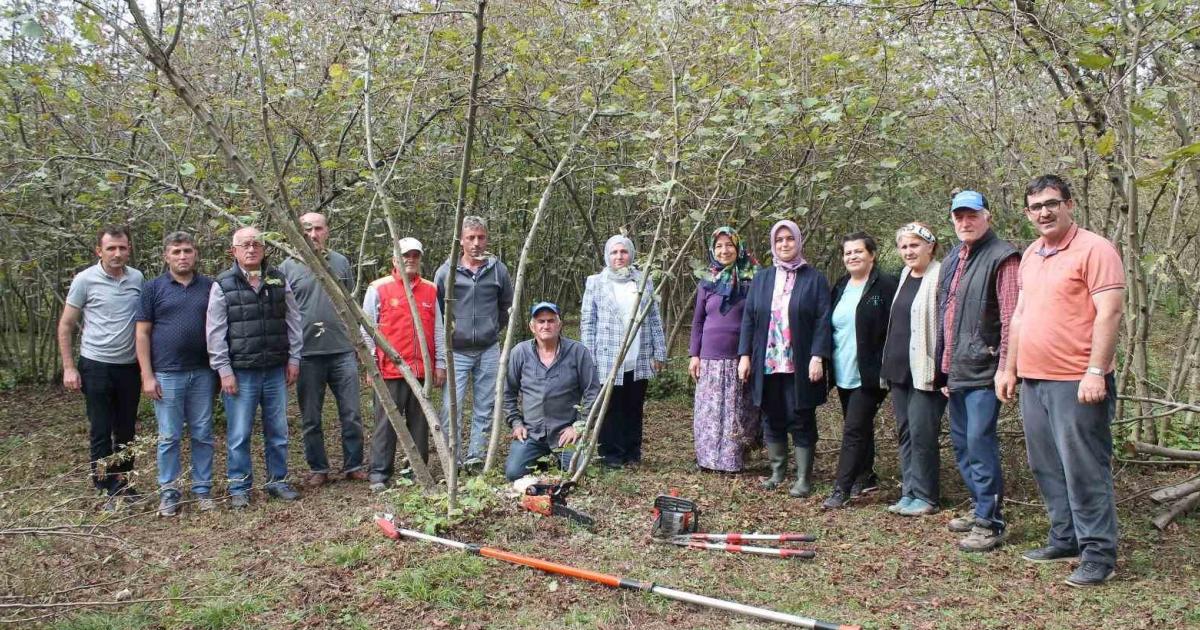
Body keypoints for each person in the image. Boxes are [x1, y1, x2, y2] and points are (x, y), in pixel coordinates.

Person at [1001, 175, 1124, 587]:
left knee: (1084, 468)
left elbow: (1109, 314)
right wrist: (1009, 367)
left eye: (1052, 203)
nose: (1044, 212)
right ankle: (1065, 537)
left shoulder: (1096, 249)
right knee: (1046, 465)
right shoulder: (1033, 253)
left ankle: (1098, 555)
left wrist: (1095, 370)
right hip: (1034, 380)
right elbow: (1019, 315)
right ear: (1027, 213)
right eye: (1036, 207)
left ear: (1070, 204)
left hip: (1077, 380)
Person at [937, 190, 1019, 552]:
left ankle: (991, 521)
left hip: (986, 371)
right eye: (959, 216)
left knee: (979, 443)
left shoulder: (1003, 257)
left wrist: (1006, 367)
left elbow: (1012, 319)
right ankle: (979, 506)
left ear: (988, 216)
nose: (965, 222)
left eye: (972, 215)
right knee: (962, 444)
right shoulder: (955, 256)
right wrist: (943, 369)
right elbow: (947, 317)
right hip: (957, 371)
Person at [206, 226, 303, 509]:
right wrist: (223, 370)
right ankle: (239, 486)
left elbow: (294, 322)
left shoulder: (278, 280)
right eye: (245, 245)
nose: (251, 249)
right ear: (233, 250)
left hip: (275, 369)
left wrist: (294, 359)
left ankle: (278, 481)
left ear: (264, 249)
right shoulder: (223, 284)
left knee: (278, 430)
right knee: (239, 433)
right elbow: (215, 332)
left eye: (256, 244)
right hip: (240, 372)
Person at [738, 220, 831, 498]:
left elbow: (822, 320)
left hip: (799, 361)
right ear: (773, 245)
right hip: (767, 362)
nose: (784, 244)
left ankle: (803, 477)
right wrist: (744, 355)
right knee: (772, 416)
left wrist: (818, 356)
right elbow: (749, 320)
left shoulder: (814, 278)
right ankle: (778, 472)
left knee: (801, 415)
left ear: (798, 242)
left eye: (789, 239)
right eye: (779, 240)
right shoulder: (762, 278)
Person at [58, 225, 145, 511]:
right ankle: (104, 485)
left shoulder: (137, 278)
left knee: (126, 429)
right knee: (100, 428)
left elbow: (143, 325)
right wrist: (69, 368)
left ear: (129, 249)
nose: (117, 253)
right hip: (96, 364)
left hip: (128, 366)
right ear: (99, 251)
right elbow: (66, 325)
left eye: (122, 247)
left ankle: (125, 481)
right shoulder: (85, 280)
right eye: (111, 248)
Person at [279, 212, 365, 488]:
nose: (313, 235)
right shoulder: (287, 267)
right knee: (311, 418)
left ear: (327, 231)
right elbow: (282, 313)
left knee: (351, 413)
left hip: (342, 351)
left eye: (318, 229)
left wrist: (358, 345)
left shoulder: (340, 263)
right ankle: (319, 468)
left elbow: (351, 305)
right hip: (306, 354)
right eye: (307, 230)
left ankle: (354, 465)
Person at [135, 231, 217, 516]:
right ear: (166, 256)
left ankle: (203, 490)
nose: (182, 256)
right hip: (167, 373)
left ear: (196, 254)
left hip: (204, 372)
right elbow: (142, 333)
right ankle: (169, 493)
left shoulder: (210, 287)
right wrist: (147, 375)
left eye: (187, 251)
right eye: (176, 251)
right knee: (169, 436)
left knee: (203, 433)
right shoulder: (153, 288)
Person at [361, 237, 446, 492]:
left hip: (422, 371)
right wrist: (371, 364)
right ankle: (379, 473)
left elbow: (438, 329)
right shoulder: (378, 288)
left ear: (420, 259)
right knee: (386, 422)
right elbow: (367, 329)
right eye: (405, 255)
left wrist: (439, 363)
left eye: (415, 255)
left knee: (419, 424)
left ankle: (415, 471)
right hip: (390, 370)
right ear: (395, 258)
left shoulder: (431, 289)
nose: (410, 259)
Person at [823, 232, 898, 509]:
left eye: (858, 251)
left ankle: (841, 489)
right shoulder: (841, 286)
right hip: (844, 370)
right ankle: (866, 475)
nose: (852, 257)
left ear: (872, 254)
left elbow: (897, 324)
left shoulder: (886, 285)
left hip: (871, 374)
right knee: (859, 426)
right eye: (848, 253)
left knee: (853, 429)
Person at [581, 235, 668, 469]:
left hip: (638, 356)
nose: (619, 257)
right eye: (614, 252)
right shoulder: (595, 282)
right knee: (611, 408)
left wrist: (659, 352)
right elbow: (588, 322)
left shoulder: (643, 281)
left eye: (623, 252)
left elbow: (653, 318)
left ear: (631, 254)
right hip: (608, 357)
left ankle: (632, 453)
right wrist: (589, 357)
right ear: (607, 255)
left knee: (633, 406)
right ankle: (610, 456)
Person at [434, 215, 513, 470]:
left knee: (485, 406)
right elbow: (437, 313)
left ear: (486, 239)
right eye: (471, 238)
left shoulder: (498, 269)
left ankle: (476, 456)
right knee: (450, 409)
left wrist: (491, 330)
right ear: (461, 242)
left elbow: (505, 307)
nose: (476, 243)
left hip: (488, 349)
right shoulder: (446, 272)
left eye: (480, 237)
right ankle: (452, 459)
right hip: (456, 351)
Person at [880, 222, 946, 517]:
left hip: (925, 370)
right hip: (899, 368)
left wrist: (945, 370)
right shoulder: (906, 275)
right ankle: (909, 490)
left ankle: (926, 495)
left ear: (930, 246)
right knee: (905, 432)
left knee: (923, 433)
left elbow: (945, 325)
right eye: (904, 246)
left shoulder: (939, 275)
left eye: (915, 245)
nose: (909, 251)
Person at [688, 227, 760, 472]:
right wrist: (694, 355)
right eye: (719, 246)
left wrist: (746, 354)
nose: (724, 250)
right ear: (712, 249)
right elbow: (698, 321)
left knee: (735, 412)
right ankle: (708, 460)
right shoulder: (708, 281)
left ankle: (731, 461)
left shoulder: (752, 280)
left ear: (738, 247)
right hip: (709, 358)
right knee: (709, 413)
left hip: (737, 359)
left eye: (729, 245)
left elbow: (755, 321)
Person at [503, 302, 601, 481]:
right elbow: (507, 392)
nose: (546, 325)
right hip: (532, 433)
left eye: (551, 321)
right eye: (541, 321)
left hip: (566, 434)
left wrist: (578, 426)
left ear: (559, 325)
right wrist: (516, 423)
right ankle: (539, 459)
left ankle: (558, 459)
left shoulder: (578, 352)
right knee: (513, 474)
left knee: (578, 475)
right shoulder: (520, 352)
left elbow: (593, 392)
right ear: (532, 326)